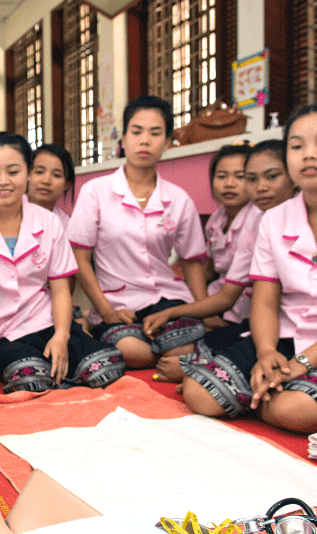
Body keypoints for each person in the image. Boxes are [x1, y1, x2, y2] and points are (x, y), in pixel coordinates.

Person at [180, 102, 317, 434]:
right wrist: (267, 352)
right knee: (197, 391)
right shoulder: (274, 219)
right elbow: (265, 302)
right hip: (284, 338)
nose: (309, 155)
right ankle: (264, 393)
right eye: (297, 146)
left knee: (295, 410)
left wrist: (303, 363)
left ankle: (261, 398)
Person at [0, 131, 124, 393]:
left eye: (13, 171)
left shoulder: (49, 222)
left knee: (107, 365)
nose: (3, 181)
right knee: (29, 378)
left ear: (28, 172)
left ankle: (58, 369)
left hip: (43, 321)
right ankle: (53, 375)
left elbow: (59, 289)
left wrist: (61, 335)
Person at [66, 96, 209, 370]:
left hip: (167, 299)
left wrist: (203, 310)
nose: (145, 140)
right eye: (136, 131)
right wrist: (106, 311)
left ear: (167, 142)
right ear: (124, 137)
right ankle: (176, 361)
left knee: (183, 345)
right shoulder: (96, 192)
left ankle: (179, 355)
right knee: (129, 350)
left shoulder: (178, 199)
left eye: (155, 133)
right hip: (118, 302)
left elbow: (191, 261)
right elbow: (80, 258)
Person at [145, 140, 296, 382]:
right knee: (166, 338)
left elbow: (229, 296)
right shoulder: (217, 218)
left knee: (177, 349)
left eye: (239, 176)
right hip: (227, 307)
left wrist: (177, 311)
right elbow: (209, 270)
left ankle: (199, 367)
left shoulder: (258, 219)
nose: (230, 184)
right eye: (222, 176)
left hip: (250, 314)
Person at [27, 143, 76, 230]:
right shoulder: (6, 212)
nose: (46, 181)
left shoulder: (66, 225)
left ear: (67, 184)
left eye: (56, 175)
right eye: (39, 172)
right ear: (28, 175)